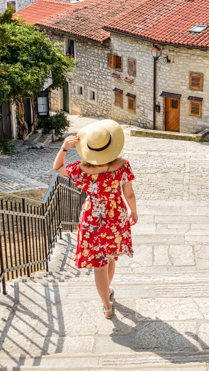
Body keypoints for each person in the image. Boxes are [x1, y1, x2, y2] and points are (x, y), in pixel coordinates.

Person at [53, 119, 138, 319]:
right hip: (115, 216)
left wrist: (64, 148)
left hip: (92, 218)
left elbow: (57, 167)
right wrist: (133, 211)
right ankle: (107, 292)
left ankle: (106, 305)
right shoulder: (122, 167)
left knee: (98, 265)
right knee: (110, 256)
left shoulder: (80, 171)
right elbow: (129, 195)